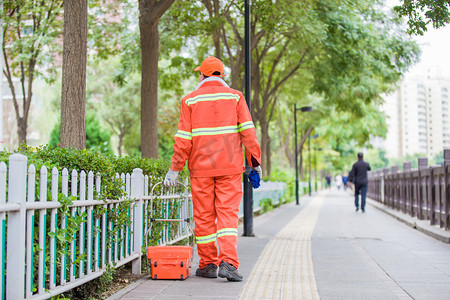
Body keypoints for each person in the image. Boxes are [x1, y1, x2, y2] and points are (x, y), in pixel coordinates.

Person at [163, 56, 262, 282]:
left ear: (202, 75)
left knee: (204, 217)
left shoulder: (190, 101)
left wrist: (175, 168)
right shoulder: (236, 97)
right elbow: (248, 132)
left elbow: (183, 140)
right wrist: (255, 162)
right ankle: (228, 263)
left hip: (200, 168)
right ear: (222, 75)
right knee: (227, 216)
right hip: (230, 167)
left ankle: (208, 264)